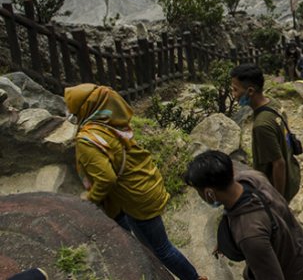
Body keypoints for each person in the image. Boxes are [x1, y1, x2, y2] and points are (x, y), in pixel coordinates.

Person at [65, 84, 206, 280]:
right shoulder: (108, 122)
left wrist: (90, 199)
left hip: (136, 196)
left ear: (84, 106)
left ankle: (194, 279)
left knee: (162, 248)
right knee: (147, 242)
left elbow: (106, 178)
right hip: (142, 185)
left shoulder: (88, 138)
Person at [184, 151, 303, 280]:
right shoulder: (251, 177)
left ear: (210, 193)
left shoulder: (250, 235)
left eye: (199, 191)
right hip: (295, 245)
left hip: (288, 270)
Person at [231, 64, 301, 202]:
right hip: (292, 173)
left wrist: (277, 201)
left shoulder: (261, 126)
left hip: (277, 187)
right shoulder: (273, 103)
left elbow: (278, 164)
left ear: (250, 91)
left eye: (235, 90)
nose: (233, 95)